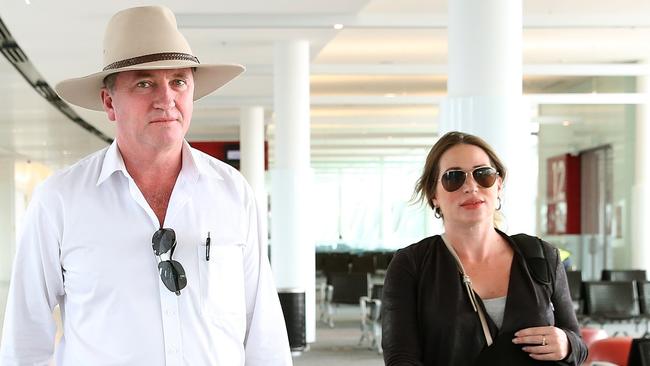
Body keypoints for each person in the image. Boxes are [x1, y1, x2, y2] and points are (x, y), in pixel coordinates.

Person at [0, 6, 292, 365]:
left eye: (179, 81)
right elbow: (24, 339)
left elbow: (263, 332)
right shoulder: (60, 199)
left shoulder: (232, 192)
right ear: (110, 103)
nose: (166, 98)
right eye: (144, 82)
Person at [381, 131, 587, 365]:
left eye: (483, 174)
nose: (471, 186)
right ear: (434, 195)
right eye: (453, 177)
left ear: (498, 184)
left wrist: (566, 343)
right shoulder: (412, 264)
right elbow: (401, 358)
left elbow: (578, 345)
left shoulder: (541, 256)